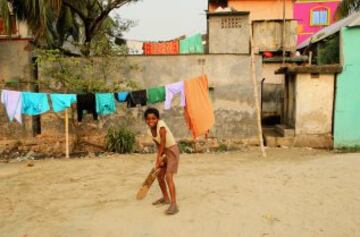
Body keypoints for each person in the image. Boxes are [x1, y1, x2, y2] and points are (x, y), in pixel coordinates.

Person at [144, 107, 180, 215]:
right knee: (160, 176)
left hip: (172, 150)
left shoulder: (161, 125)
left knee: (168, 176)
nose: (151, 121)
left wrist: (158, 158)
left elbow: (163, 141)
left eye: (153, 118)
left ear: (158, 118)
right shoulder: (149, 131)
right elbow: (158, 144)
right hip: (164, 151)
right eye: (148, 119)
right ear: (145, 120)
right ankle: (166, 198)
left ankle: (174, 205)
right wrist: (161, 158)